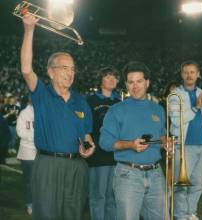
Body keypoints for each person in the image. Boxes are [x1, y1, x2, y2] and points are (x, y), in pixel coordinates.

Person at [20, 14, 95, 220]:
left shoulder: (81, 101)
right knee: (46, 215)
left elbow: (86, 133)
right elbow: (26, 69)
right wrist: (29, 30)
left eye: (72, 69)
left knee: (73, 214)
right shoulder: (42, 94)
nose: (70, 73)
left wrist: (89, 145)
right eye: (64, 68)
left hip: (76, 166)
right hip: (47, 164)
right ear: (51, 72)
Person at [99, 61, 171, 220]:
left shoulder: (158, 109)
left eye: (139, 81)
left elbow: (161, 134)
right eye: (131, 82)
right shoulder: (116, 110)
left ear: (147, 82)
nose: (135, 86)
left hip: (156, 174)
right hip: (128, 175)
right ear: (126, 84)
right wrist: (130, 145)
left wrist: (166, 141)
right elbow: (104, 142)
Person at [169, 60, 202, 220]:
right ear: (181, 74)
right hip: (183, 146)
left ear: (198, 74)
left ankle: (190, 213)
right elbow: (176, 121)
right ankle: (180, 215)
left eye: (192, 72)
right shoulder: (175, 94)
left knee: (198, 185)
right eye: (186, 72)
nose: (189, 75)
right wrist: (196, 107)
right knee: (182, 185)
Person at [86, 67, 120, 220]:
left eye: (114, 77)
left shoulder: (119, 103)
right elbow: (85, 128)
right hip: (98, 155)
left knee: (113, 197)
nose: (111, 79)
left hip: (116, 155)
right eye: (107, 76)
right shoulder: (90, 101)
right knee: (98, 196)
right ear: (101, 80)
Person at [16, 101, 36, 215]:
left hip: (41, 151)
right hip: (27, 150)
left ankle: (39, 203)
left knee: (41, 180)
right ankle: (30, 204)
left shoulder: (43, 110)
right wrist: (34, 137)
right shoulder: (24, 113)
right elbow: (20, 131)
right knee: (30, 180)